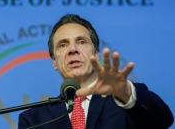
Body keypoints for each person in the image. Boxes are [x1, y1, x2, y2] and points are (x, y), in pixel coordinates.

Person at [18, 14, 174, 129]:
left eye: (81, 42)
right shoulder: (33, 120)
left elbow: (163, 120)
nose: (73, 49)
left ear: (95, 54)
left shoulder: (123, 99)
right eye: (63, 45)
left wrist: (125, 92)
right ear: (54, 63)